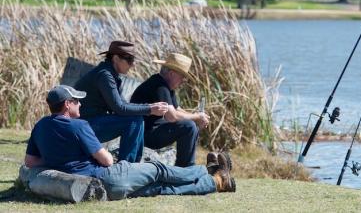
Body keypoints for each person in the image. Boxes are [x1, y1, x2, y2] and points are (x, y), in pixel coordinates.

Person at [24, 85, 235, 200]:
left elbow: (31, 162)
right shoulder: (78, 126)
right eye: (77, 101)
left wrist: (60, 158)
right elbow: (106, 161)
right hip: (106, 176)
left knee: (158, 189)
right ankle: (205, 171)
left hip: (102, 190)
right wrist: (98, 155)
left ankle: (217, 183)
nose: (81, 104)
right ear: (67, 104)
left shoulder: (40, 126)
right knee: (157, 170)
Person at [74, 40, 169, 163]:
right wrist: (150, 109)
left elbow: (123, 105)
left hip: (90, 123)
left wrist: (150, 107)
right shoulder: (105, 75)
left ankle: (134, 163)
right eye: (129, 60)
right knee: (134, 121)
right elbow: (120, 108)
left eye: (133, 60)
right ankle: (126, 166)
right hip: (84, 128)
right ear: (116, 58)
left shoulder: (110, 73)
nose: (132, 64)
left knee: (136, 118)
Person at [131, 53, 209, 167]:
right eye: (182, 77)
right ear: (172, 74)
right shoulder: (159, 86)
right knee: (188, 126)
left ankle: (185, 167)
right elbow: (171, 116)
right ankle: (185, 169)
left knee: (190, 124)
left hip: (150, 131)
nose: (183, 81)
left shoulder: (166, 86)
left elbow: (177, 109)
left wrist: (198, 116)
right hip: (143, 135)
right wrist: (197, 117)